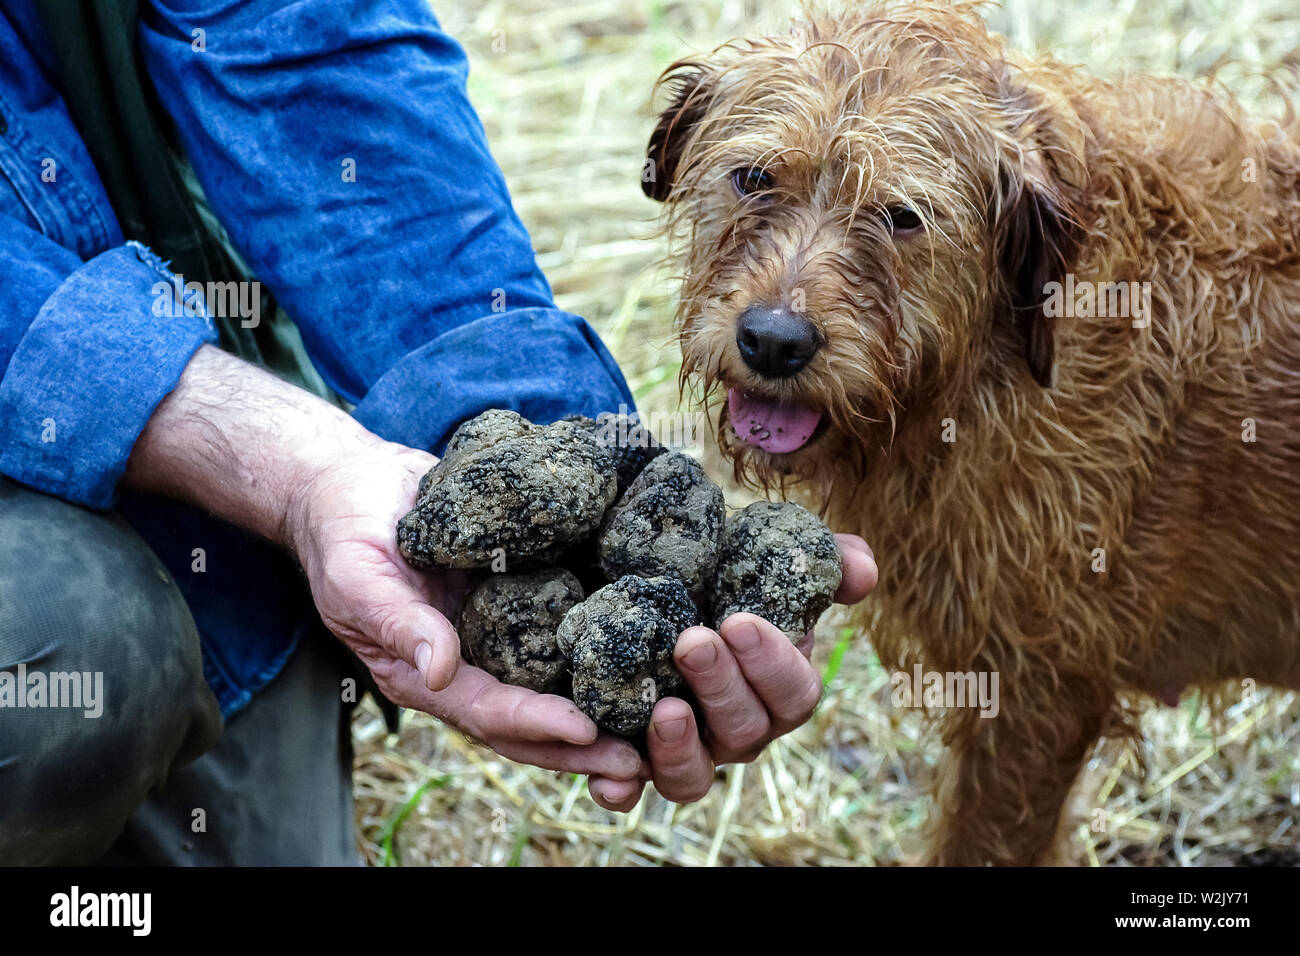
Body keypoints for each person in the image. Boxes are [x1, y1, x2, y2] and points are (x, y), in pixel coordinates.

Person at [0, 0, 877, 865]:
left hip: (152, 377)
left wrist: (521, 424)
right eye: (755, 182)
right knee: (74, 671)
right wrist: (290, 464)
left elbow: (307, 50)